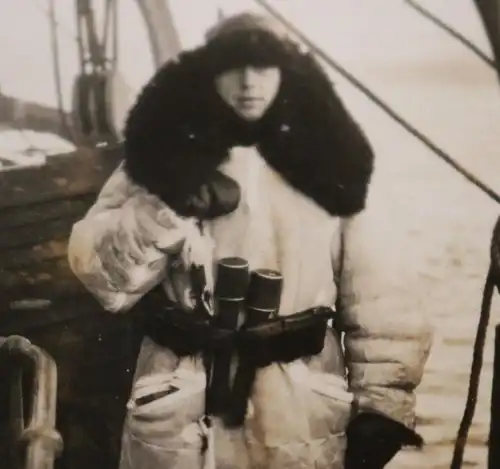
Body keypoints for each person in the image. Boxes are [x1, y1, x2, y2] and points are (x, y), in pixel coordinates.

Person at [67, 12, 433, 469]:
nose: (247, 82)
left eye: (263, 66)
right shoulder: (160, 155)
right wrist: (166, 207)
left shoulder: (334, 164)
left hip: (295, 413)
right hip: (180, 407)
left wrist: (382, 406)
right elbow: (100, 277)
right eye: (231, 66)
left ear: (287, 73)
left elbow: (384, 300)